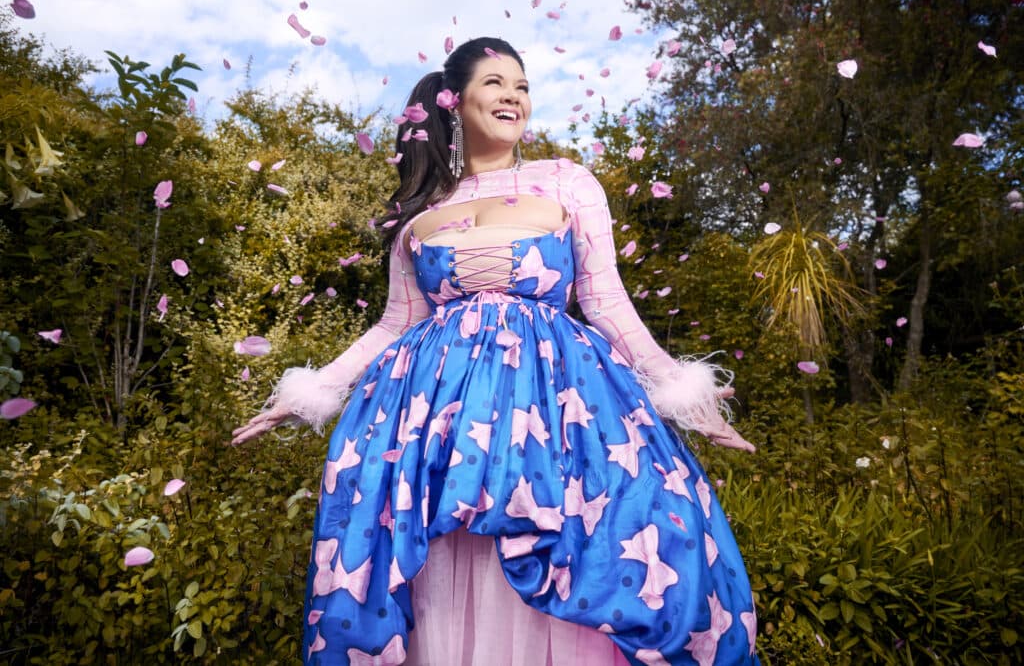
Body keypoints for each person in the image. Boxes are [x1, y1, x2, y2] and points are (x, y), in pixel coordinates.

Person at [233, 36, 760, 666]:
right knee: (443, 555)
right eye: (495, 83)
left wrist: (682, 390)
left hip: (554, 403)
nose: (513, 96)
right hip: (432, 415)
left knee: (613, 526)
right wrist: (312, 391)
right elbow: (393, 325)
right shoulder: (419, 216)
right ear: (454, 102)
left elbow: (606, 300)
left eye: (522, 86)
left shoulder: (567, 181)